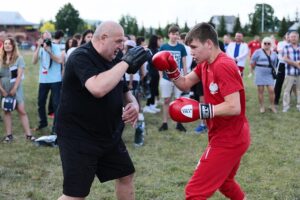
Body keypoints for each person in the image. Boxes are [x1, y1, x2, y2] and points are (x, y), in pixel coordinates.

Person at [152, 22, 250, 199]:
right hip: (230, 133)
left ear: (209, 44)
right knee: (226, 182)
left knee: (194, 192)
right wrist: (171, 69)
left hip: (229, 138)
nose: (191, 52)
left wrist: (200, 111)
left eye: (194, 47)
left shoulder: (223, 65)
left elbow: (234, 106)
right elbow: (184, 83)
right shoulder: (205, 64)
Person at [55, 21, 151, 200]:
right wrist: (125, 63)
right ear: (104, 38)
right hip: (79, 135)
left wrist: (134, 104)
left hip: (108, 133)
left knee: (126, 176)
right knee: (75, 194)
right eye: (118, 41)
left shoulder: (114, 58)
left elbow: (124, 90)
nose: (122, 46)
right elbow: (98, 88)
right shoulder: (80, 56)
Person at [0, 37, 35, 142]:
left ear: (13, 46)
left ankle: (29, 135)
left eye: (9, 44)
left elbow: (19, 75)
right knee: (6, 111)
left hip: (16, 87)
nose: (7, 45)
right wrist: (2, 90)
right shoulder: (0, 58)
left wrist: (14, 88)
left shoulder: (19, 58)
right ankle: (9, 135)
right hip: (3, 88)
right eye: (5, 43)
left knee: (21, 110)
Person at [32, 31, 63, 133]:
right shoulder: (40, 48)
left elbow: (59, 60)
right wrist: (38, 47)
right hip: (43, 80)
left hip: (56, 80)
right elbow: (34, 62)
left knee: (56, 104)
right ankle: (43, 123)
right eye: (45, 38)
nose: (47, 40)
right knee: (41, 102)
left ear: (51, 38)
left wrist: (49, 51)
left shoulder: (55, 47)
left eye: (48, 38)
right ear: (42, 38)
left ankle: (56, 127)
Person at [158, 25, 188, 132]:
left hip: (178, 78)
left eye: (176, 34)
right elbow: (159, 63)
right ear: (169, 34)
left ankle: (179, 123)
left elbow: (184, 64)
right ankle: (165, 123)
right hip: (166, 78)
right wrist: (161, 76)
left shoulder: (181, 47)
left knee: (178, 101)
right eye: (173, 34)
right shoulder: (164, 47)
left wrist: (185, 78)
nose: (175, 36)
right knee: (166, 100)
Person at [250, 37, 278, 113]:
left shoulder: (274, 53)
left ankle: (272, 106)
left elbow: (275, 64)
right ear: (262, 43)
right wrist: (253, 70)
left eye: (268, 43)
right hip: (259, 72)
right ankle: (262, 106)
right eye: (265, 43)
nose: (267, 45)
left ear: (271, 44)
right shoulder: (258, 51)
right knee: (260, 91)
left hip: (269, 73)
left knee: (272, 90)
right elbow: (252, 61)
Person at [143, 35, 163, 113]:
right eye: (159, 40)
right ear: (155, 41)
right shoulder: (150, 50)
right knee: (151, 89)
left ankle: (152, 105)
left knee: (154, 89)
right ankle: (147, 106)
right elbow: (152, 61)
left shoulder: (156, 49)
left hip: (156, 73)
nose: (160, 42)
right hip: (151, 73)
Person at [281, 31, 300, 112]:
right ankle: (286, 106)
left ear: (298, 37)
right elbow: (285, 58)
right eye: (292, 37)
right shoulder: (286, 47)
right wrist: (296, 64)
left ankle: (299, 105)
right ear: (289, 38)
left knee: (299, 90)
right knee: (287, 90)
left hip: (299, 74)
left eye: (295, 36)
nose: (293, 38)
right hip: (289, 73)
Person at [274, 32, 289, 106]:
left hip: (291, 65)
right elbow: (279, 51)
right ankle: (275, 100)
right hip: (282, 64)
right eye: (288, 35)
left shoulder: (295, 45)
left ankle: (287, 100)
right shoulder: (281, 43)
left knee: (291, 84)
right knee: (278, 83)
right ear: (285, 36)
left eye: (291, 35)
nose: (289, 37)